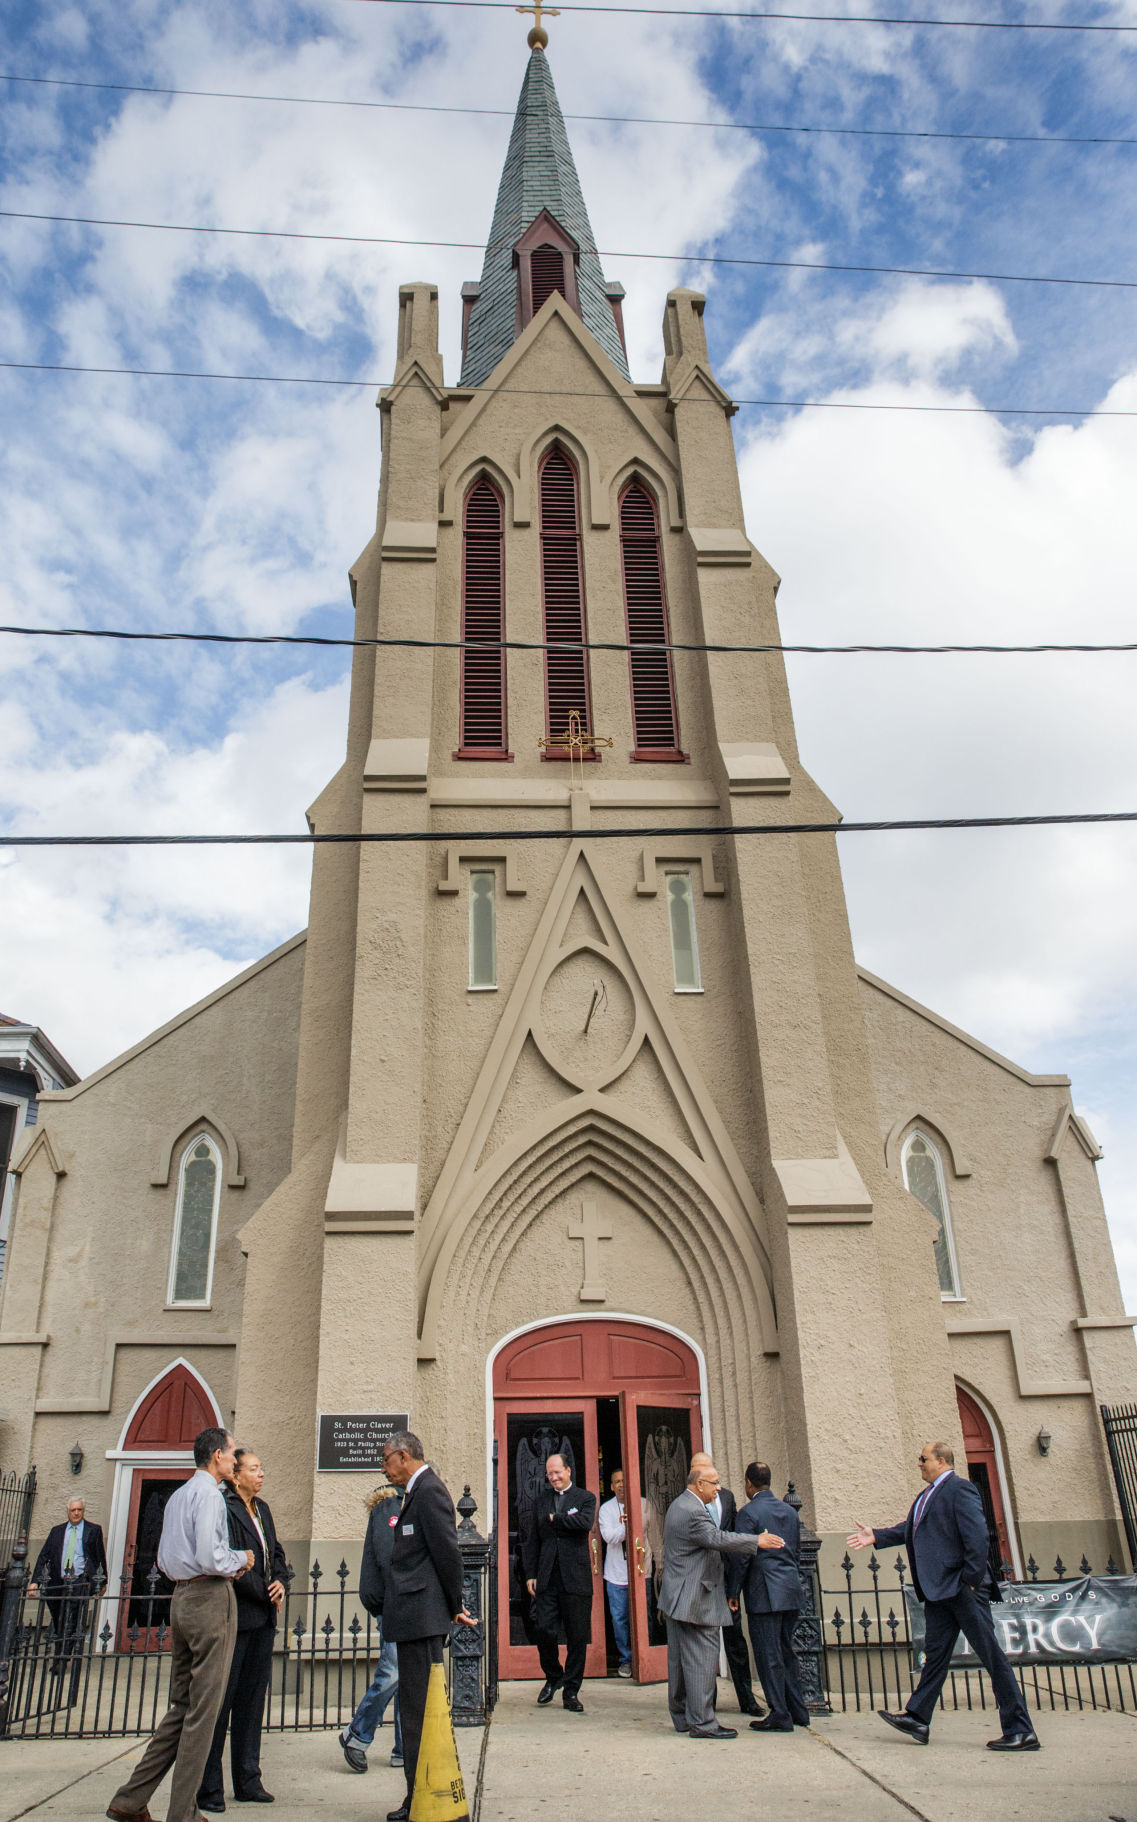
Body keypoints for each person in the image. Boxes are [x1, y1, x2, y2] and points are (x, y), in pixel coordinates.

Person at [848, 1439, 1039, 1752]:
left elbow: (977, 1537)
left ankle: (1021, 1729)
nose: (919, 1464)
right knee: (935, 1657)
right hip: (939, 1592)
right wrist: (877, 1536)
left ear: (941, 1460)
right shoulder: (926, 1495)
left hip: (961, 1590)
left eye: (923, 1458)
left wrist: (970, 1582)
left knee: (991, 1656)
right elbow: (910, 1529)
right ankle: (918, 1717)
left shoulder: (960, 1489)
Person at [105, 1428, 253, 1822]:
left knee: (182, 1705)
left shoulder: (179, 1495)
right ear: (217, 1456)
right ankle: (183, 1813)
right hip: (208, 1599)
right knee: (203, 1711)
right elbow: (210, 1555)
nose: (235, 1458)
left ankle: (131, 1799)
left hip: (181, 1599)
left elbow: (166, 1557)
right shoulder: (209, 1496)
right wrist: (241, 1559)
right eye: (232, 1452)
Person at [379, 1431, 475, 1822]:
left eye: (386, 1461)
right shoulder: (417, 1492)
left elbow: (447, 1552)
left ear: (404, 1457)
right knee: (416, 1711)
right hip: (414, 1619)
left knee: (420, 1713)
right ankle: (416, 1794)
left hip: (422, 1619)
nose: (384, 1469)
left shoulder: (430, 1491)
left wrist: (455, 1605)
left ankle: (419, 1799)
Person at [659, 1460, 782, 1740]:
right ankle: (703, 1723)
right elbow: (716, 1538)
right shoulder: (692, 1510)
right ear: (699, 1484)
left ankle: (683, 1717)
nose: (719, 1487)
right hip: (695, 1598)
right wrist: (756, 1542)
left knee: (680, 1661)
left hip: (678, 1596)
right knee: (702, 1660)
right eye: (714, 1482)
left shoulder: (680, 1504)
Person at [198, 1450, 288, 1811]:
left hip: (263, 1621)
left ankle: (248, 1780)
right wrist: (265, 1594)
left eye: (261, 1468)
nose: (261, 1473)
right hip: (237, 1618)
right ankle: (209, 1788)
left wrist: (281, 1581)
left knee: (252, 1705)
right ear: (236, 1476)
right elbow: (232, 1561)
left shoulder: (262, 1509)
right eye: (254, 1468)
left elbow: (276, 1554)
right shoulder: (226, 1507)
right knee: (222, 1705)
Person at [729, 1463, 810, 1733]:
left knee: (768, 1655)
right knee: (787, 1651)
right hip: (789, 1590)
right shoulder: (789, 1511)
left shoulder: (748, 1513)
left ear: (749, 1484)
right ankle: (798, 1710)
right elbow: (797, 1551)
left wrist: (733, 1592)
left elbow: (741, 1557)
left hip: (763, 1593)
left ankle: (779, 1714)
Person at [523, 1452, 597, 1714]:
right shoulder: (541, 1501)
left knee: (577, 1636)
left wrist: (558, 1519)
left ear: (568, 1471)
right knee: (543, 1630)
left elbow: (584, 1523)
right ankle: (554, 1676)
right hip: (547, 1576)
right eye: (550, 1474)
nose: (553, 1478)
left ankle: (572, 1690)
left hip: (575, 1578)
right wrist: (530, 1573)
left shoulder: (585, 1498)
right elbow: (532, 1539)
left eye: (557, 1472)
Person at [338, 1480, 405, 1773]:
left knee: (408, 1677)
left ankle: (404, 1748)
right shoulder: (390, 1506)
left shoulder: (407, 1503)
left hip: (408, 1605)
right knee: (393, 1672)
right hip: (394, 1604)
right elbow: (390, 1558)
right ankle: (357, 1734)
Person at [689, 1451, 762, 1717]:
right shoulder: (686, 1502)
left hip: (725, 1581)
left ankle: (747, 1699)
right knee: (702, 1645)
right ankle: (706, 1702)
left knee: (735, 1641)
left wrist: (734, 1586)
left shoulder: (727, 1497)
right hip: (698, 1580)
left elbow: (731, 1538)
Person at [29, 1496, 107, 1672]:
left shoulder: (93, 1530)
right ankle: (60, 1654)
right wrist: (34, 1582)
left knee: (71, 1621)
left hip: (79, 1581)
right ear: (68, 1512)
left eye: (79, 1510)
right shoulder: (57, 1531)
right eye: (73, 1510)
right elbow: (44, 1556)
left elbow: (99, 1557)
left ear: (83, 1511)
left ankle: (61, 1659)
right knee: (59, 1621)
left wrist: (101, 1583)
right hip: (58, 1582)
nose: (77, 1513)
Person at [598, 1470, 635, 1678]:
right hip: (615, 1574)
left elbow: (653, 1533)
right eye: (617, 1482)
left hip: (641, 1571)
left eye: (624, 1480)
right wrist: (627, 1527)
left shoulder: (644, 1504)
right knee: (619, 1618)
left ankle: (643, 1658)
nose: (621, 1485)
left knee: (643, 1616)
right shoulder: (606, 1509)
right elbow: (609, 1537)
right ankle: (626, 1659)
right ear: (611, 1486)